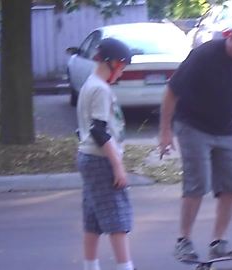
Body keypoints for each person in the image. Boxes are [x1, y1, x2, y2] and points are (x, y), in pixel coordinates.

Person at [158, 20, 232, 261]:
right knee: (198, 183)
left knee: (231, 185)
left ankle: (219, 242)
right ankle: (183, 241)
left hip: (226, 130)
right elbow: (171, 92)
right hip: (192, 125)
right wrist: (165, 131)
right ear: (231, 38)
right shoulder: (203, 56)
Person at [76, 38, 134, 270]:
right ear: (112, 63)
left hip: (89, 157)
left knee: (93, 221)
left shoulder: (90, 84)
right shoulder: (100, 89)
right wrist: (117, 166)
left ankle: (90, 267)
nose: (121, 73)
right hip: (101, 159)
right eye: (122, 67)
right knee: (117, 219)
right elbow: (99, 131)